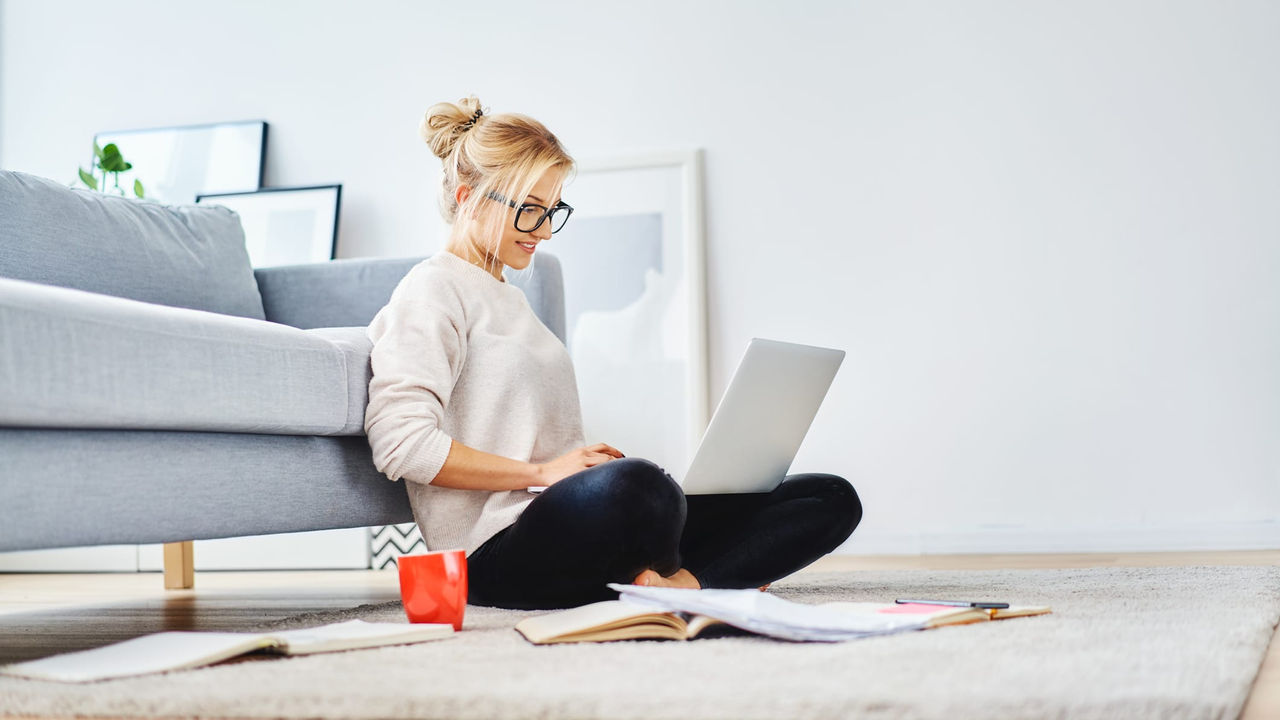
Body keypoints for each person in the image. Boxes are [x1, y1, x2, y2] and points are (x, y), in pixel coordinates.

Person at [364, 95, 863, 611]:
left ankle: (678, 585)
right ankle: (705, 569)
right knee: (643, 488)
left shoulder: (509, 299)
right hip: (492, 553)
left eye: (552, 210)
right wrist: (542, 474)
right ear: (469, 198)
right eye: (529, 209)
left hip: (567, 524)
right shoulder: (431, 290)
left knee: (828, 497)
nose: (541, 229)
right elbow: (401, 445)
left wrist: (578, 468)